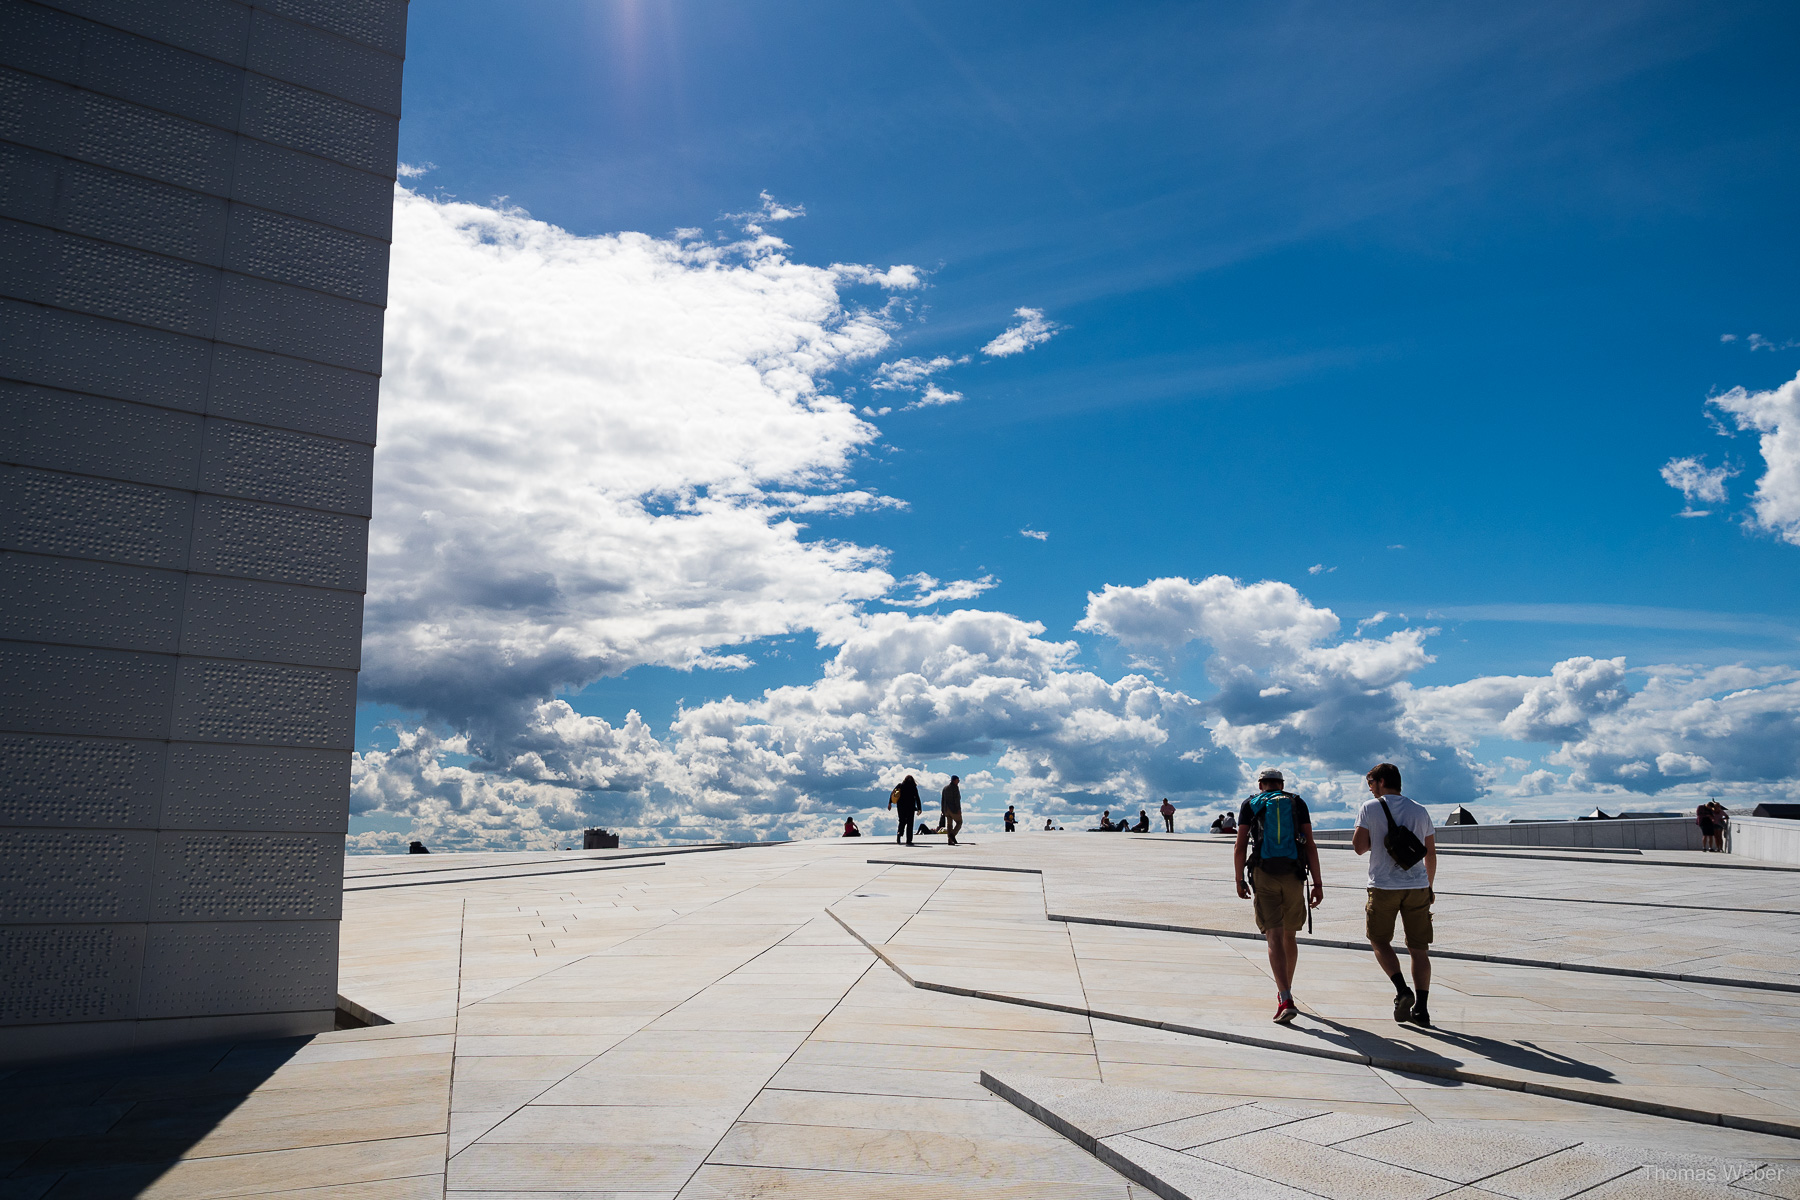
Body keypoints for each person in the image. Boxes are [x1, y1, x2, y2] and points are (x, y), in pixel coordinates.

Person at [1233, 768, 1324, 1024]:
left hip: (1264, 873)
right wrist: (1317, 883)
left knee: (1273, 935)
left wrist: (1239, 879)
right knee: (1289, 935)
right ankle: (1287, 991)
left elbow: (1240, 845)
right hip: (1294, 874)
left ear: (1260, 784)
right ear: (1281, 784)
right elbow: (1311, 845)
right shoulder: (1296, 802)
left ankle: (1284, 997)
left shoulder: (1250, 804)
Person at [1353, 762, 1437, 1027]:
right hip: (1418, 886)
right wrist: (1429, 886)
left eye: (1371, 783)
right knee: (1419, 949)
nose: (1370, 789)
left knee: (1379, 941)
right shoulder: (1420, 810)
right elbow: (1430, 853)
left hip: (1383, 887)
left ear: (1380, 782)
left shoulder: (1370, 807)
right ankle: (1421, 1010)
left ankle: (1402, 990)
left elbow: (1359, 847)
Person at [889, 775, 920, 846]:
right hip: (910, 807)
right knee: (910, 823)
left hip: (901, 807)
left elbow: (893, 794)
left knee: (902, 821)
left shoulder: (900, 785)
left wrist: (890, 803)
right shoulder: (913, 787)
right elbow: (917, 798)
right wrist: (919, 808)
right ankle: (908, 840)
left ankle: (899, 833)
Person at [941, 775, 963, 846]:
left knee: (949, 825)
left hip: (946, 809)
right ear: (954, 780)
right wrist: (959, 809)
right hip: (953, 809)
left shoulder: (945, 788)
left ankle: (950, 841)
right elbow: (957, 800)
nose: (958, 781)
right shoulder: (955, 788)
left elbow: (942, 800)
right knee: (959, 822)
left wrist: (942, 810)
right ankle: (952, 835)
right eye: (957, 780)